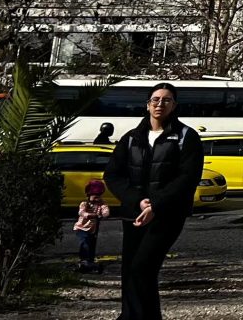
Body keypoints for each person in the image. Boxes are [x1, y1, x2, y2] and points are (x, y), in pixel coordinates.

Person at [102, 81, 204, 320]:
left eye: (166, 100)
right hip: (134, 214)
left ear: (174, 105)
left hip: (167, 215)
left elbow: (187, 177)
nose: (160, 104)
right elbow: (113, 174)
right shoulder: (131, 138)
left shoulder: (186, 136)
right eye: (156, 99)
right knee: (130, 270)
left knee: (143, 267)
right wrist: (138, 201)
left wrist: (156, 205)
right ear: (147, 104)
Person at [75, 180, 110, 273]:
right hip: (82, 227)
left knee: (92, 244)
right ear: (89, 195)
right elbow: (81, 212)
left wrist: (105, 213)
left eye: (99, 197)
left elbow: (105, 210)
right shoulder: (84, 204)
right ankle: (84, 260)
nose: (97, 199)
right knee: (85, 244)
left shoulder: (101, 203)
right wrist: (90, 215)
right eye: (95, 197)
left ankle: (90, 260)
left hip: (93, 229)